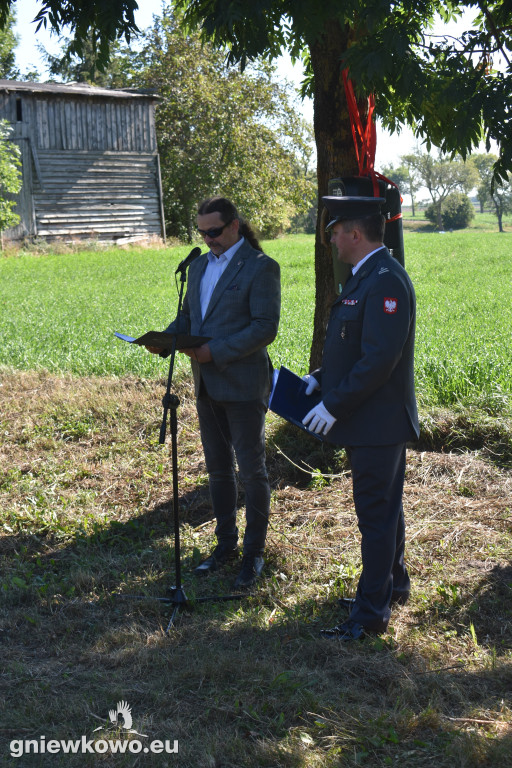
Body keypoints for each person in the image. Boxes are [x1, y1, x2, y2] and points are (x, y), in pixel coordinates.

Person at [302, 195, 419, 641]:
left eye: (335, 230)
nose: (330, 237)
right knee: (385, 511)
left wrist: (332, 405)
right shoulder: (366, 276)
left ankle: (370, 615)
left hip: (378, 422)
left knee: (375, 516)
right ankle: (393, 587)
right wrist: (320, 380)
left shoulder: (385, 280)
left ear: (355, 233)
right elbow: (355, 349)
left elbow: (377, 362)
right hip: (371, 420)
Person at [148, 197, 280, 588]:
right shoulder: (199, 266)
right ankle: (226, 546)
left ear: (235, 226)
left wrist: (214, 352)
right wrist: (167, 338)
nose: (208, 239)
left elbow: (264, 327)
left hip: (242, 385)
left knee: (252, 471)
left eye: (215, 231)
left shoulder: (260, 268)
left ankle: (254, 554)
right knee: (218, 470)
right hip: (206, 385)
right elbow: (190, 317)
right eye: (202, 232)